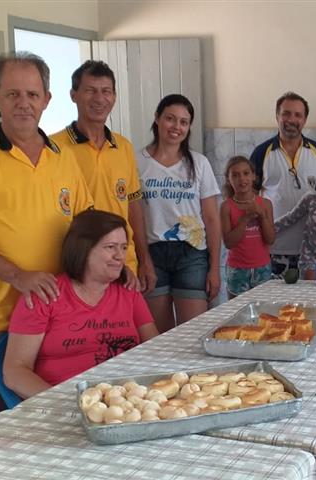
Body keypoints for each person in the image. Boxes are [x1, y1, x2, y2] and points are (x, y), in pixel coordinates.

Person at [0, 52, 93, 401]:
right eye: (13, 94)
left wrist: (117, 265)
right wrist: (17, 275)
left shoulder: (64, 156)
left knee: (54, 422)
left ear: (46, 100)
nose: (23, 103)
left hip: (56, 317)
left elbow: (87, 229)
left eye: (32, 94)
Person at [4, 210, 159, 399]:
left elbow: (154, 347)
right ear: (83, 249)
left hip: (128, 398)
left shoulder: (128, 290)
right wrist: (62, 402)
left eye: (124, 247)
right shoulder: (44, 295)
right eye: (110, 247)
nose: (120, 256)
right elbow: (15, 372)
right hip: (66, 401)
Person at [51, 60, 155, 293]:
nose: (99, 99)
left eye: (106, 91)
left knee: (128, 329)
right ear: (73, 95)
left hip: (124, 266)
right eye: (90, 90)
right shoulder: (53, 148)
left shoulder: (124, 147)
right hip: (78, 269)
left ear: (114, 97)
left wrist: (144, 259)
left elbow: (133, 206)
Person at [137, 94, 221, 332]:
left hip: (192, 254)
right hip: (152, 254)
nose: (176, 127)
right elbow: (133, 216)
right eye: (170, 119)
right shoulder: (137, 162)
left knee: (193, 333)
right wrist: (142, 260)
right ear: (157, 119)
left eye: (183, 122)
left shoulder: (199, 163)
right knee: (158, 336)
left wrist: (214, 268)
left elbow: (212, 220)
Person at [250, 91, 316, 278]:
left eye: (297, 115)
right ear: (277, 116)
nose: (291, 119)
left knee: (313, 304)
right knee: (277, 305)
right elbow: (250, 198)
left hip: (313, 249)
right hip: (274, 248)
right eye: (286, 113)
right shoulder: (262, 152)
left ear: (305, 119)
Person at [221, 156, 275, 299]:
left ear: (253, 176)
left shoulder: (266, 204)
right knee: (235, 312)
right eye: (235, 175)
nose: (241, 179)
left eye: (246, 173)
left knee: (263, 311)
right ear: (228, 179)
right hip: (237, 269)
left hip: (262, 267)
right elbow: (228, 243)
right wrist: (245, 218)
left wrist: (262, 216)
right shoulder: (226, 207)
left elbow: (270, 240)